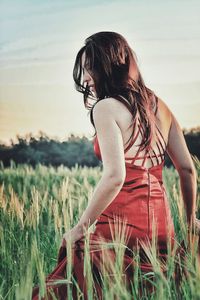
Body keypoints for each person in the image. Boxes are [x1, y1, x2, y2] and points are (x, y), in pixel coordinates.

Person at [32, 31, 199, 299]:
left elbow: (115, 176)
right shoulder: (160, 107)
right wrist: (190, 220)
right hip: (161, 227)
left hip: (120, 226)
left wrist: (80, 227)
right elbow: (188, 169)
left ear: (109, 66)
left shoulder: (106, 107)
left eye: (90, 68)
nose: (85, 78)